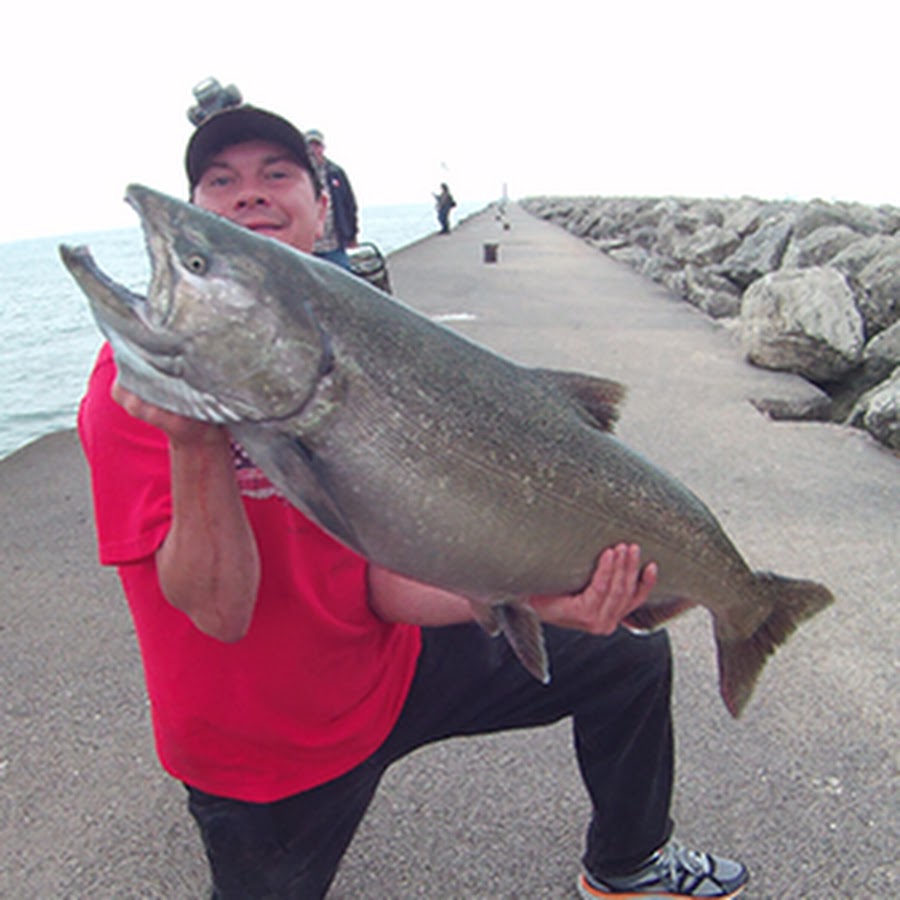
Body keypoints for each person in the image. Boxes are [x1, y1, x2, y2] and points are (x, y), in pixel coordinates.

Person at [77, 101, 749, 900]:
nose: (249, 192)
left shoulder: (358, 347)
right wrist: (195, 445)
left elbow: (377, 578)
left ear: (322, 208)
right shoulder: (131, 399)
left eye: (277, 174)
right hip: (263, 755)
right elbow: (220, 612)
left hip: (387, 676)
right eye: (219, 182)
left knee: (627, 656)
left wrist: (532, 597)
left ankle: (629, 862)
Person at [304, 128, 358, 269]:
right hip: (308, 246)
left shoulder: (336, 172)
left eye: (317, 145)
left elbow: (349, 204)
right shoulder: (298, 174)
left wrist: (352, 235)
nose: (313, 150)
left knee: (343, 276)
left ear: (323, 148)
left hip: (334, 244)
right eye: (310, 146)